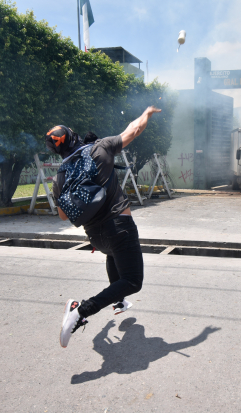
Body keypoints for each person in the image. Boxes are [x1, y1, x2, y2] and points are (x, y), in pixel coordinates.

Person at [45, 106, 162, 348]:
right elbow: (135, 128)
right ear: (73, 135)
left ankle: (118, 301)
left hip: (96, 236)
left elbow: (63, 217)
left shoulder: (60, 176)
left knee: (113, 254)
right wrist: (147, 113)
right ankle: (80, 310)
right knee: (132, 281)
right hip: (119, 226)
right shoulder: (100, 148)